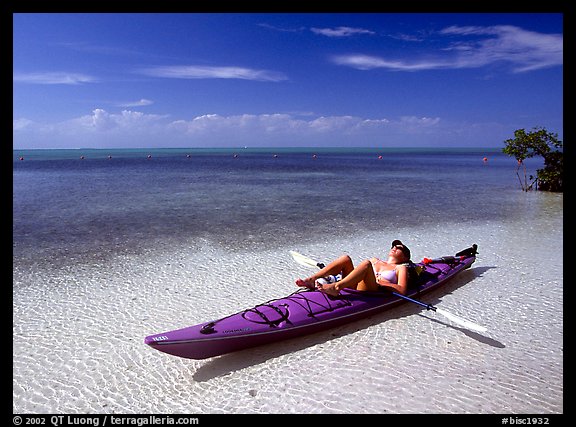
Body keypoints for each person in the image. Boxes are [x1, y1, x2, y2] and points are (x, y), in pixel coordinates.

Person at [295, 240, 411, 296]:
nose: (394, 247)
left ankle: (336, 287)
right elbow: (360, 272)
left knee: (366, 263)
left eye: (399, 248)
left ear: (405, 257)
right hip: (356, 284)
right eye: (393, 246)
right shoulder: (376, 260)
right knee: (346, 259)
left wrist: (382, 283)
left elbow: (402, 290)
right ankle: (311, 280)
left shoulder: (401, 268)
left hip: (372, 289)